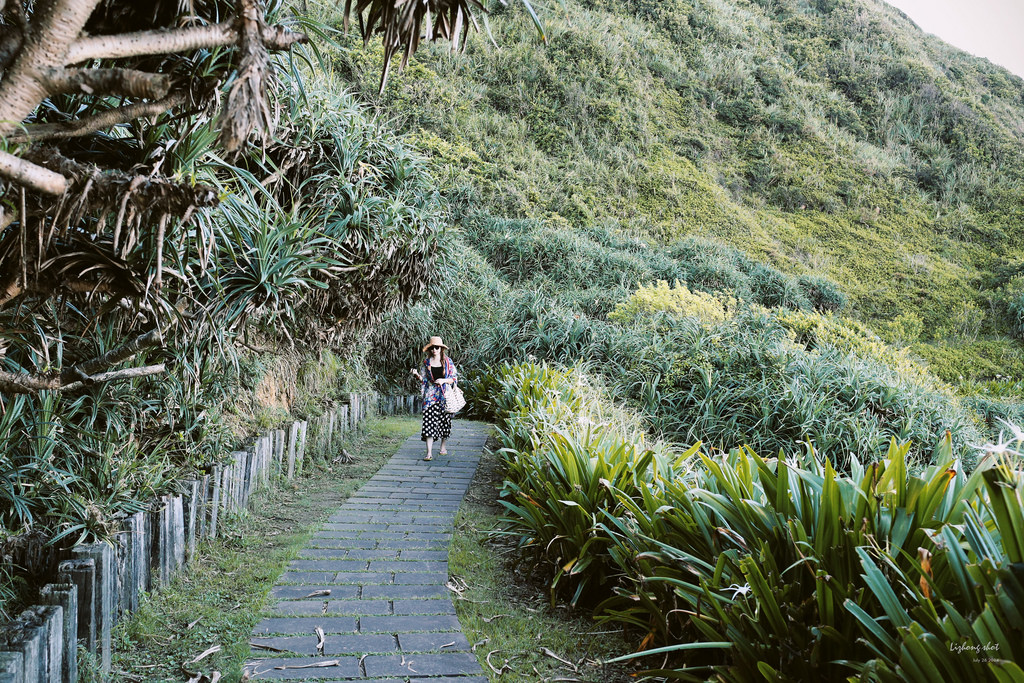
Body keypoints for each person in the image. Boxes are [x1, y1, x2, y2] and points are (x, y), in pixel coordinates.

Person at [410, 336, 458, 461]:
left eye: (437, 347)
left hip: (444, 395)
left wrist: (443, 380)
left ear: (441, 349)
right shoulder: (427, 363)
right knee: (428, 422)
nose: (434, 350)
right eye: (432, 348)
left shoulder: (448, 362)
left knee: (444, 422)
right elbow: (424, 380)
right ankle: (429, 452)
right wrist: (416, 375)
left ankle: (443, 447)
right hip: (430, 396)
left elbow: (454, 378)